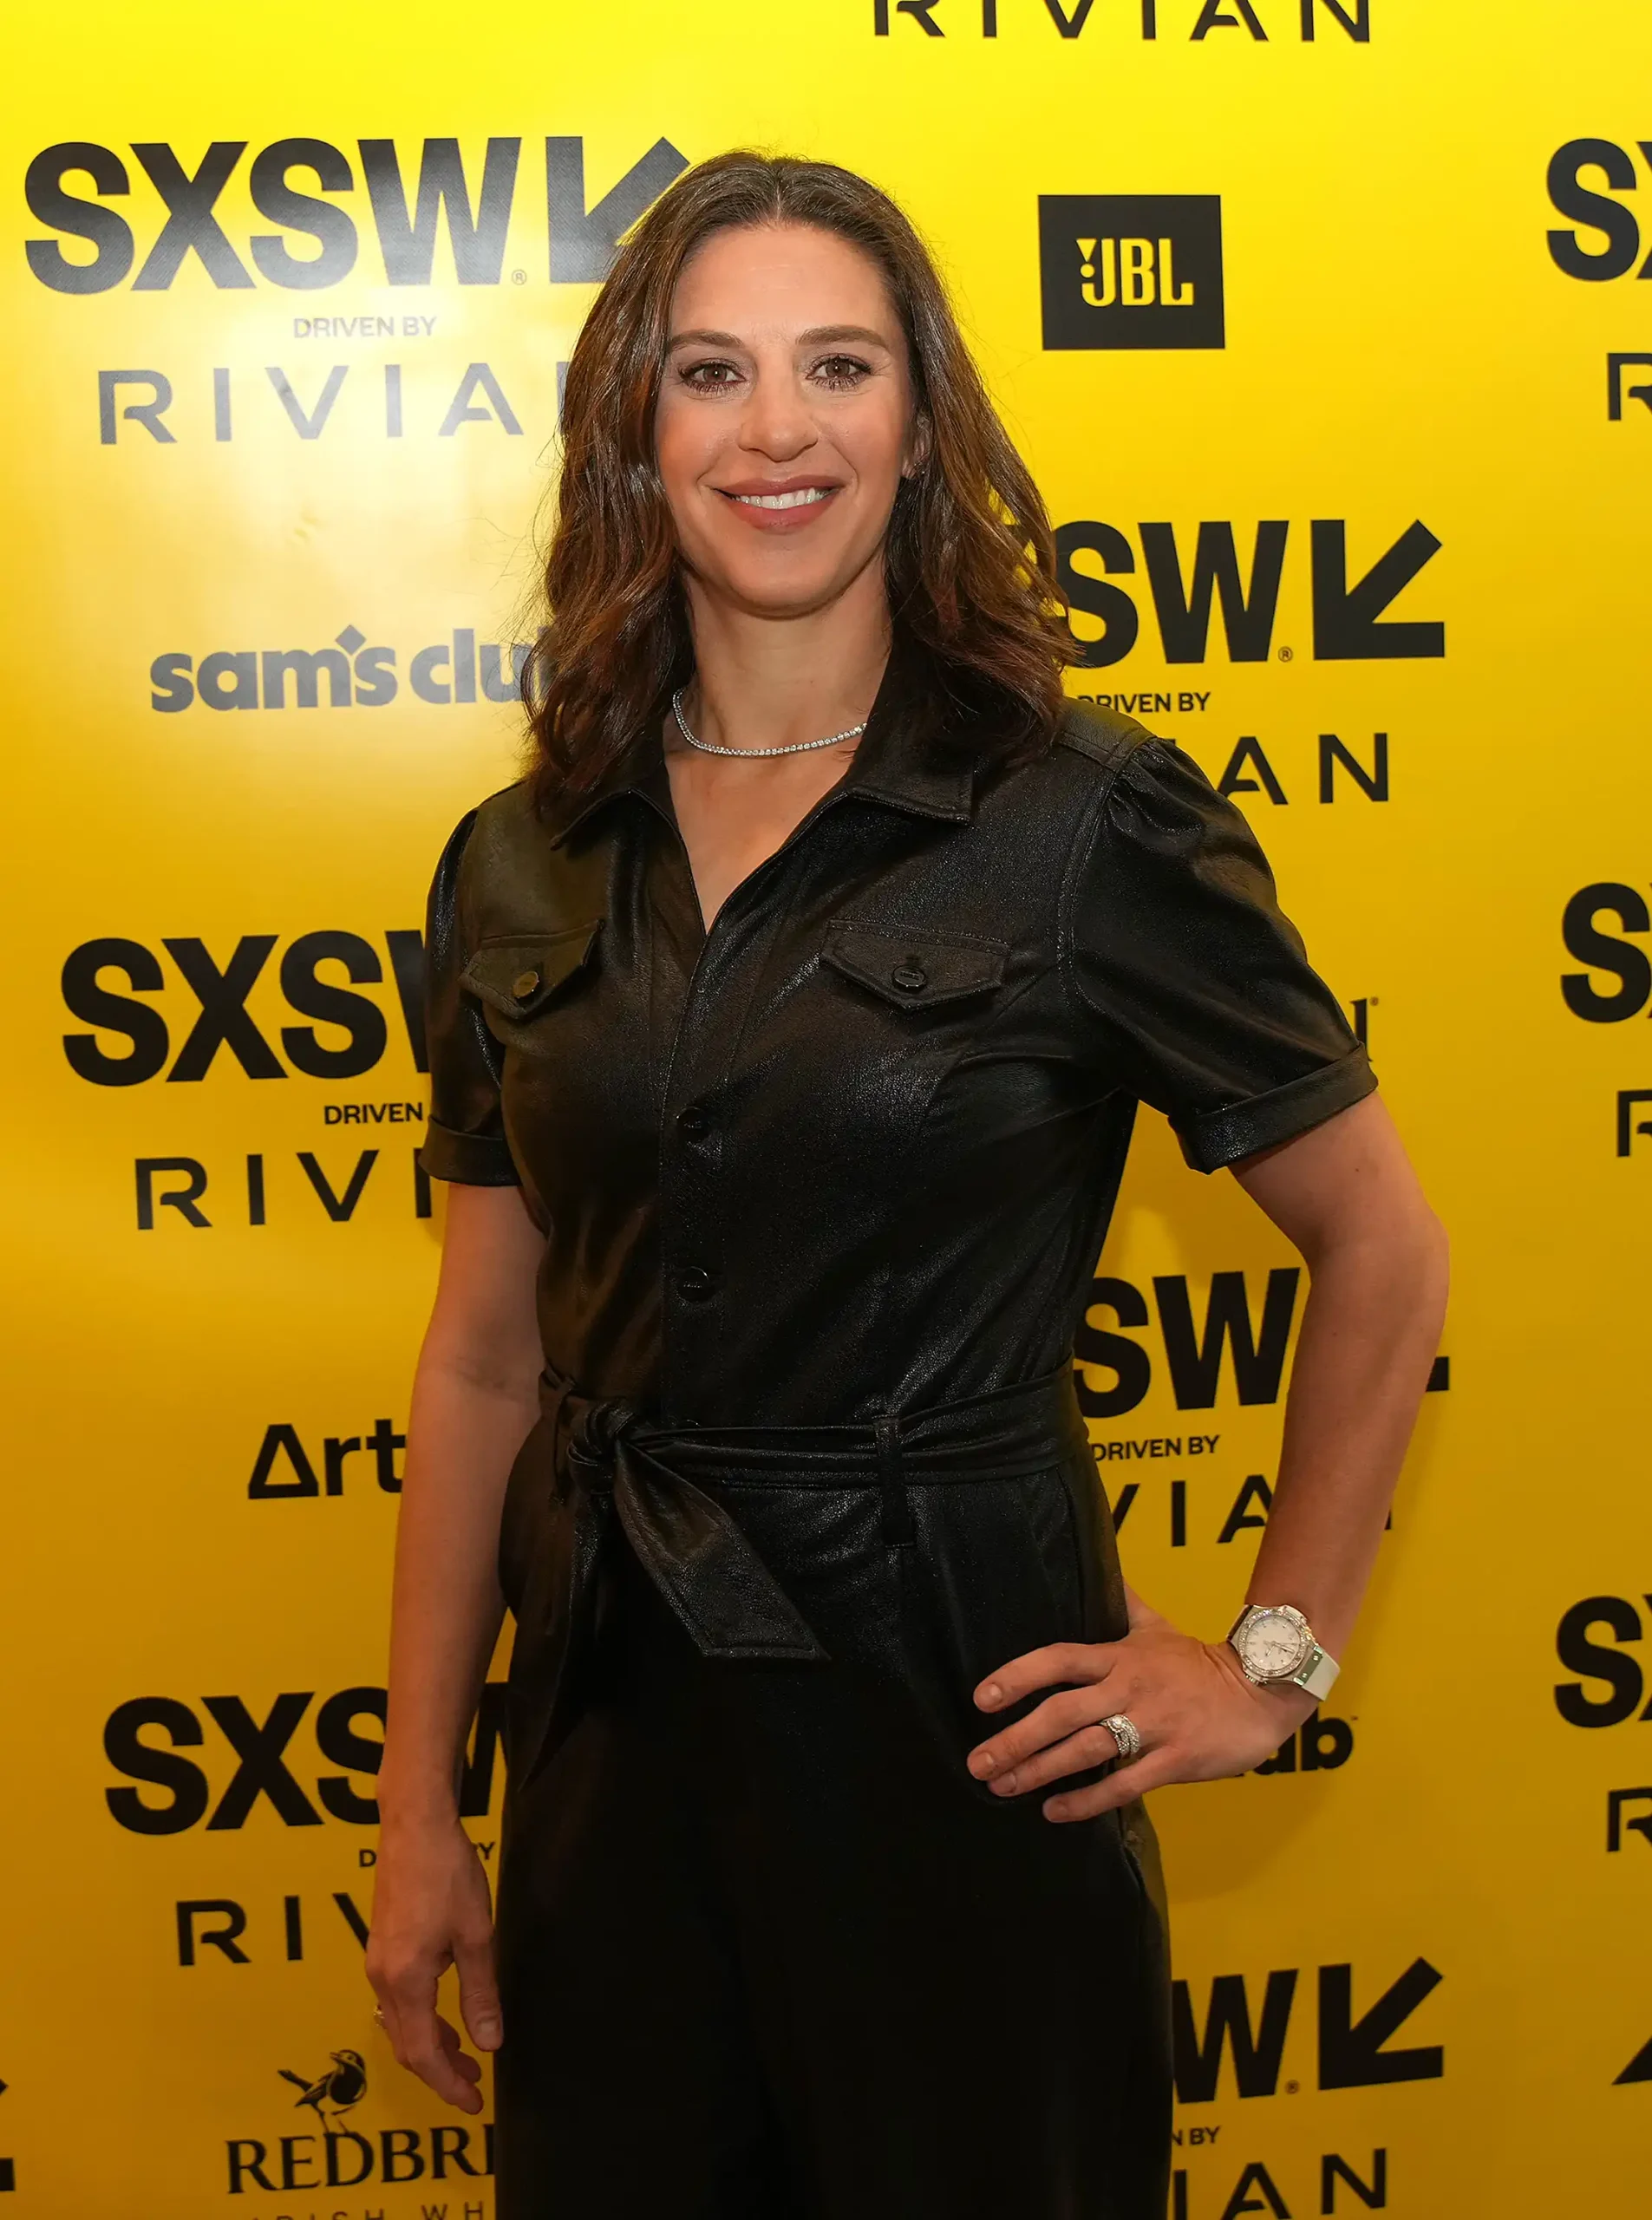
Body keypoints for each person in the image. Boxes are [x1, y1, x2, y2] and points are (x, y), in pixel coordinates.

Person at [364, 151, 1448, 2220]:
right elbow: (484, 1359)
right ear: (632, 431)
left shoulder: (1087, 819)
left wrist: (1273, 1657)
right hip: (604, 1749)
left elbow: (1382, 1241)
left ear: (920, 424)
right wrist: (425, 1804)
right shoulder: (517, 857)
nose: (776, 427)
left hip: (960, 1738)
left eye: (837, 366)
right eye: (711, 371)